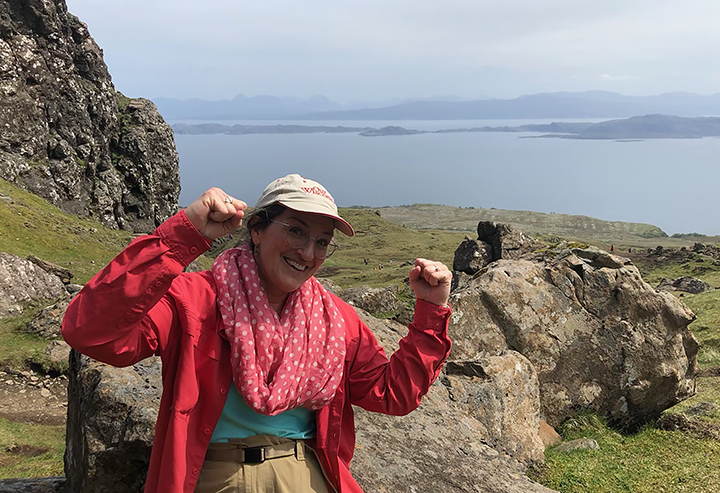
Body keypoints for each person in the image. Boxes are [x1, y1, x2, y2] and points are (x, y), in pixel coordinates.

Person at [62, 174, 453, 493]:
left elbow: (392, 395)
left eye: (321, 242)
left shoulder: (337, 319)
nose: (308, 253)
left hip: (309, 477)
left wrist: (431, 311)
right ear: (257, 230)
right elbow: (91, 332)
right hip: (213, 477)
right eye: (296, 231)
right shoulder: (196, 298)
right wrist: (183, 235)